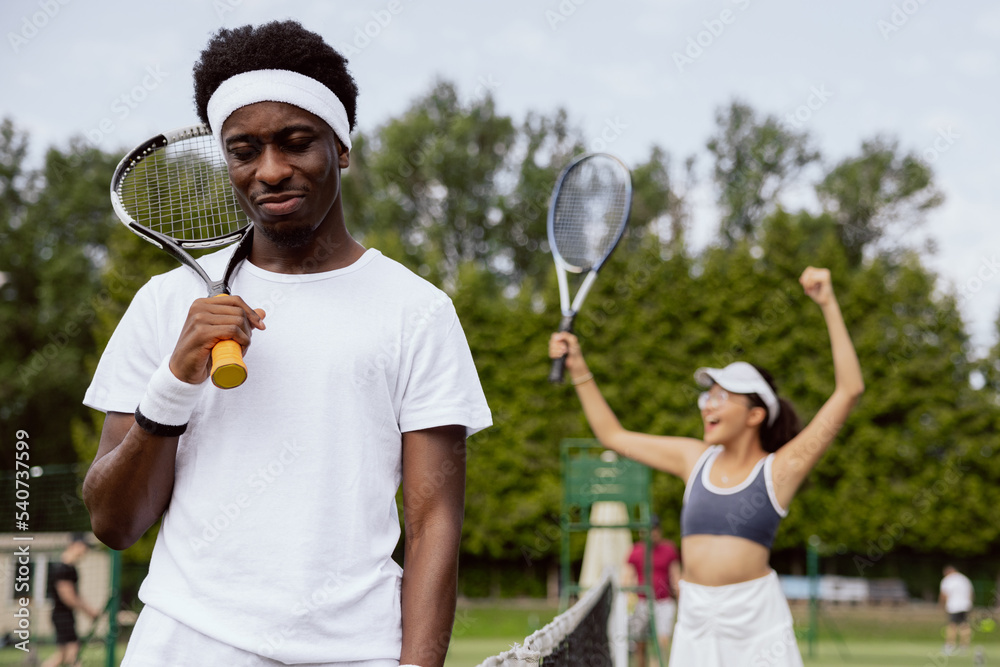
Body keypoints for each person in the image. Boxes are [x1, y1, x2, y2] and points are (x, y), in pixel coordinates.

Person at [82, 20, 491, 667]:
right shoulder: (164, 306)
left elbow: (434, 521)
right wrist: (176, 380)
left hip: (357, 652)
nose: (270, 170)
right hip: (183, 645)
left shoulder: (419, 311)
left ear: (343, 148)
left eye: (296, 142)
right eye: (244, 150)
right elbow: (114, 522)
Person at [549, 267, 863, 666]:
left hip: (755, 622)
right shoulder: (692, 458)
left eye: (721, 397)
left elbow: (849, 389)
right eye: (706, 397)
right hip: (695, 618)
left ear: (754, 415)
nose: (707, 405)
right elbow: (613, 436)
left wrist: (828, 303)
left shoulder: (778, 471)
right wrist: (579, 369)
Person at [625, 515, 680, 666]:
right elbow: (628, 577)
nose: (652, 533)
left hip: (664, 602)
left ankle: (656, 664)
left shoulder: (669, 549)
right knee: (640, 643)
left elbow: (675, 575)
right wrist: (628, 596)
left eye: (655, 529)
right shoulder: (635, 551)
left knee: (662, 641)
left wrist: (680, 598)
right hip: (642, 602)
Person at [42, 534, 102, 667]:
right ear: (76, 545)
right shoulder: (63, 568)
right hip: (62, 616)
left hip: (64, 616)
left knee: (61, 656)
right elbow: (68, 597)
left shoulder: (70, 568)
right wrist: (89, 611)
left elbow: (74, 596)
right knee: (73, 652)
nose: (86, 550)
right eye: (84, 546)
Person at [939, 565, 974, 655]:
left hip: (953, 606)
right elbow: (971, 593)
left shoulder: (948, 580)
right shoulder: (964, 579)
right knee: (964, 626)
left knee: (952, 626)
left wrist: (941, 605)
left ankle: (950, 646)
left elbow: (944, 594)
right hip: (965, 606)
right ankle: (964, 646)